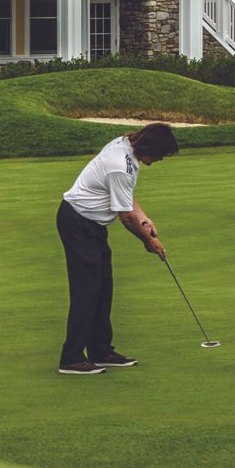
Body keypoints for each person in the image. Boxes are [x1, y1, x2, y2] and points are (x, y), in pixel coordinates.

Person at [55, 122, 180, 375]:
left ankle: (101, 351)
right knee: (87, 291)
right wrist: (148, 240)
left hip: (93, 226)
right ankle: (71, 358)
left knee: (103, 286)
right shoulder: (119, 164)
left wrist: (144, 218)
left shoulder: (126, 147)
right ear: (149, 147)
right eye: (160, 155)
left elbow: (127, 196)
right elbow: (125, 216)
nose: (159, 160)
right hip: (77, 222)